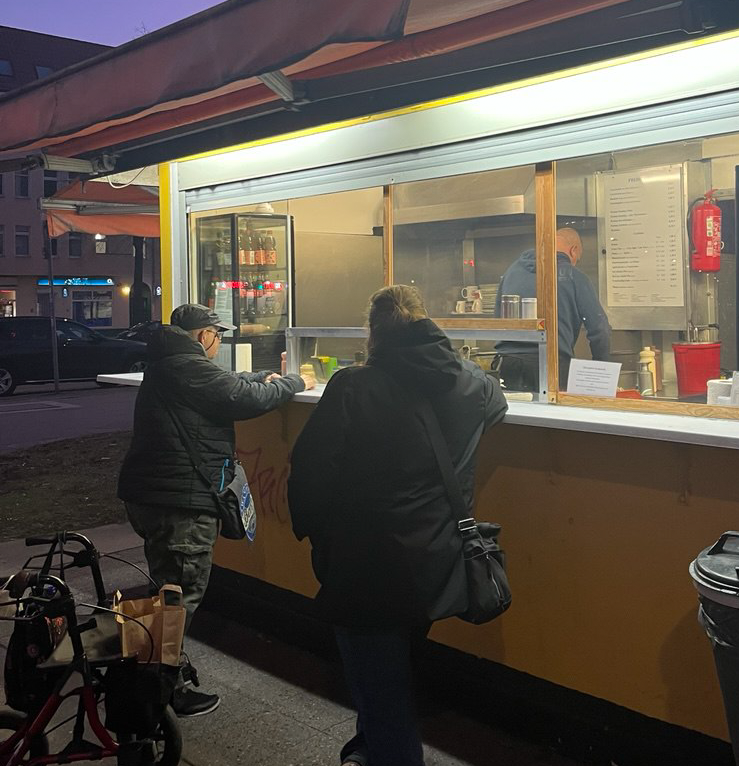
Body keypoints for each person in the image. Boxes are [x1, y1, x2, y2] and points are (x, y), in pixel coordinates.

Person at [288, 285, 507, 766]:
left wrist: (317, 537)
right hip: (436, 560)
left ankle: (386, 753)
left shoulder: (352, 386)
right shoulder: (473, 383)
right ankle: (367, 750)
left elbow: (309, 474)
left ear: (373, 333)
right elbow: (497, 407)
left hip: (366, 562)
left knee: (380, 688)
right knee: (392, 671)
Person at [117, 303, 313, 718]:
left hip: (154, 497)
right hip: (179, 503)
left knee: (165, 592)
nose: (218, 342)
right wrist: (294, 381)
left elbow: (229, 385)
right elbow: (242, 398)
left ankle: (146, 675)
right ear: (204, 335)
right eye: (217, 335)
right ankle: (154, 698)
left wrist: (261, 376)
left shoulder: (171, 362)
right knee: (178, 598)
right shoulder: (186, 366)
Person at [494, 227, 612, 390]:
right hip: (551, 364)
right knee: (551, 407)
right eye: (577, 259)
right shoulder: (573, 276)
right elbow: (600, 328)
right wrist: (602, 369)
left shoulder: (511, 271)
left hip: (507, 364)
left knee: (513, 407)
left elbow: (498, 317)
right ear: (573, 251)